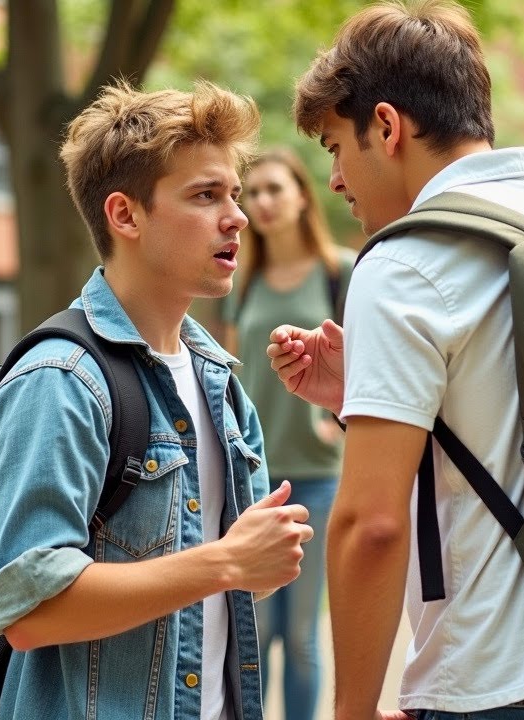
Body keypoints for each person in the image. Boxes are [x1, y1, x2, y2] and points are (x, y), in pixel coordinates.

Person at [266, 2, 524, 718]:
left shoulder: (405, 261)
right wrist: (361, 396)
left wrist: (349, 709)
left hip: (504, 683)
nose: (335, 180)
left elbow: (370, 524)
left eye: (335, 147)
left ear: (387, 126)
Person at [0, 81, 313, 720]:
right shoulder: (60, 382)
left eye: (232, 193)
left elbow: (236, 590)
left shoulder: (219, 380)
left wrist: (249, 563)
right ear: (125, 215)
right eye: (205, 196)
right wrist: (228, 562)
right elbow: (30, 609)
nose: (236, 216)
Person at [222, 147, 353, 720]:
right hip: (252, 475)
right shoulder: (241, 279)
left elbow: (364, 363)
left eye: (275, 189)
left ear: (303, 196)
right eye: (252, 193)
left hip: (317, 475)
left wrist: (336, 420)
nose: (262, 202)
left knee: (299, 638)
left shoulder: (339, 270)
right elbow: (230, 369)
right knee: (253, 636)